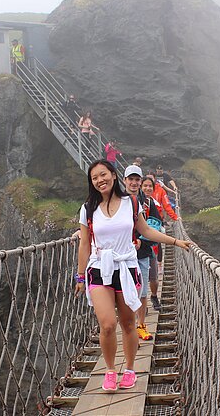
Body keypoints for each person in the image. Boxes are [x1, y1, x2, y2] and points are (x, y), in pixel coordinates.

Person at [75, 160, 191, 392]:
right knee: (107, 324)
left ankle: (129, 369)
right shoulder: (88, 208)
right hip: (99, 269)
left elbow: (146, 230)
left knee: (128, 324)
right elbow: (85, 243)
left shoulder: (131, 203)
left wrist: (176, 241)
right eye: (94, 178)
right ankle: (110, 370)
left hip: (126, 269)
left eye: (103, 174)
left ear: (113, 175)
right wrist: (80, 277)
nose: (100, 180)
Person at [122, 165, 161, 341]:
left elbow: (154, 225)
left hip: (142, 253)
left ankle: (141, 326)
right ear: (124, 181)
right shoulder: (116, 200)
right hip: (121, 256)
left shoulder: (148, 203)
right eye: (131, 179)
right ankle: (129, 329)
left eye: (137, 179)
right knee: (124, 293)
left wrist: (140, 241)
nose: (134, 183)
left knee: (142, 292)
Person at [139, 176, 163, 311]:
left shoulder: (152, 203)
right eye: (145, 186)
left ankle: (153, 296)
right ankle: (143, 306)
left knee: (153, 277)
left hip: (151, 244)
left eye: (150, 186)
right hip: (136, 245)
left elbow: (157, 222)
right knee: (139, 278)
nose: (148, 188)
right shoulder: (131, 201)